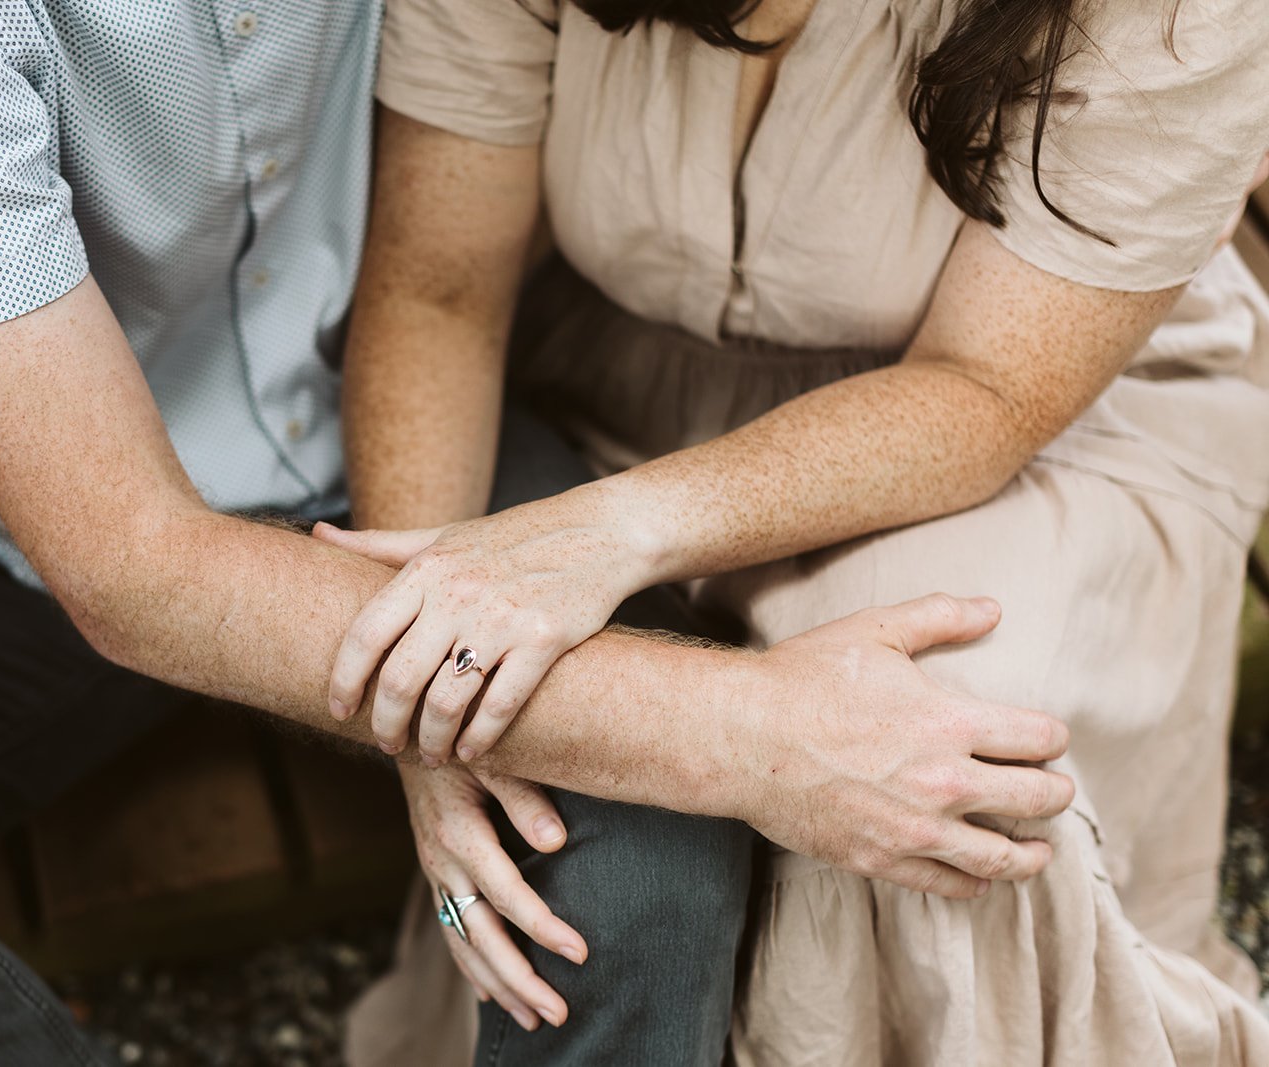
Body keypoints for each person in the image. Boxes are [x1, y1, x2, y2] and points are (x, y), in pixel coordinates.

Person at [0, 2, 1076, 1065]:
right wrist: (753, 730)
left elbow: (444, 286)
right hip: (32, 508)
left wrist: (466, 667)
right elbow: (134, 568)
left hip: (416, 424)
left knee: (634, 880)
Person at [336, 0, 1269, 1063]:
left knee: (943, 752)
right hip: (612, 371)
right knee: (542, 749)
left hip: (1012, 416)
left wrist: (613, 529)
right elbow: (439, 290)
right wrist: (426, 697)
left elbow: (991, 387)